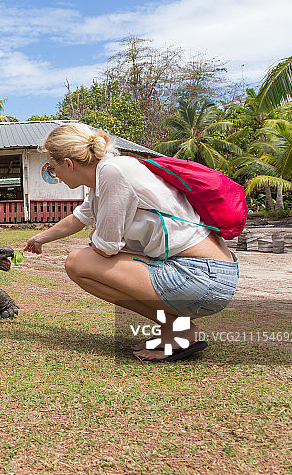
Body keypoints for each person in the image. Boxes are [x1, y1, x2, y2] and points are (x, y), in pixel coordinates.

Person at [24, 123, 239, 363]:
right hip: (211, 275)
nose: (56, 176)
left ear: (69, 163)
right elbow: (79, 218)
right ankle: (176, 329)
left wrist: (96, 243)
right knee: (85, 258)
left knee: (78, 262)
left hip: (200, 278)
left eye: (52, 168)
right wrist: (39, 238)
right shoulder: (108, 172)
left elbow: (106, 247)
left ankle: (179, 331)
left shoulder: (112, 173)